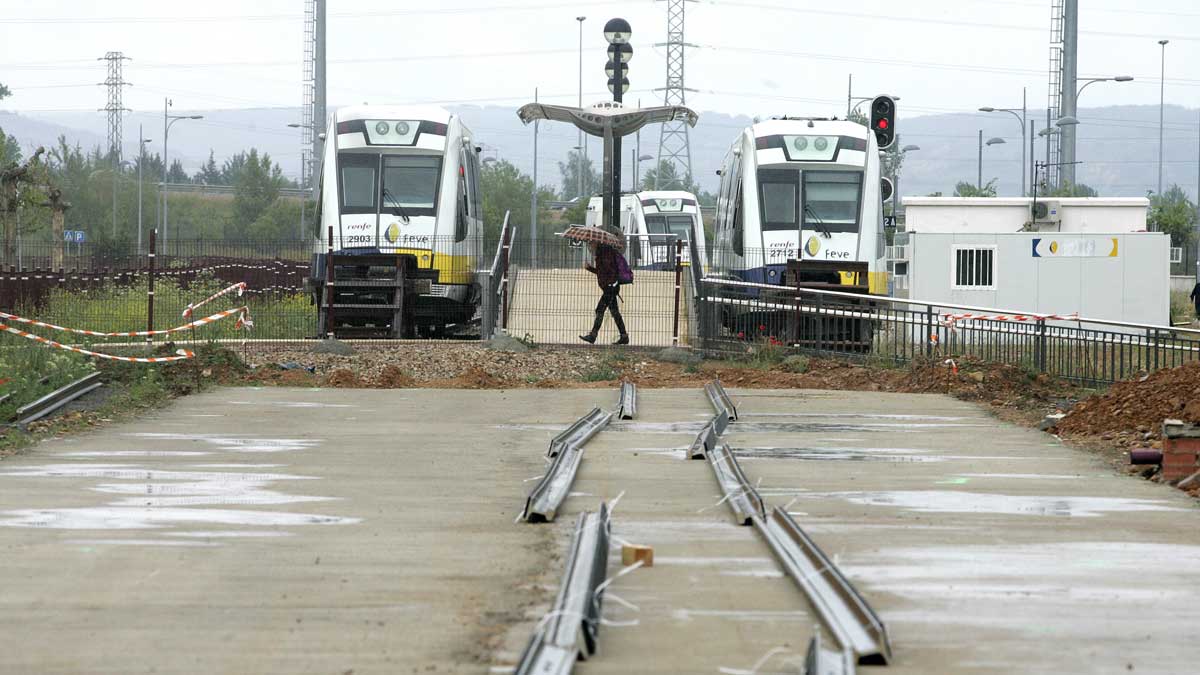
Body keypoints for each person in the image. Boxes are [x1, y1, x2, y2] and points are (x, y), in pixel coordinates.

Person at [580, 242, 629, 345]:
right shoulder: (602, 253)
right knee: (614, 312)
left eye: (591, 244)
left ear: (597, 243)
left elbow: (609, 270)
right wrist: (589, 268)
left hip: (610, 288)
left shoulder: (604, 254)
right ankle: (624, 336)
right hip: (610, 287)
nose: (590, 246)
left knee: (600, 310)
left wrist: (610, 283)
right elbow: (602, 271)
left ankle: (593, 336)